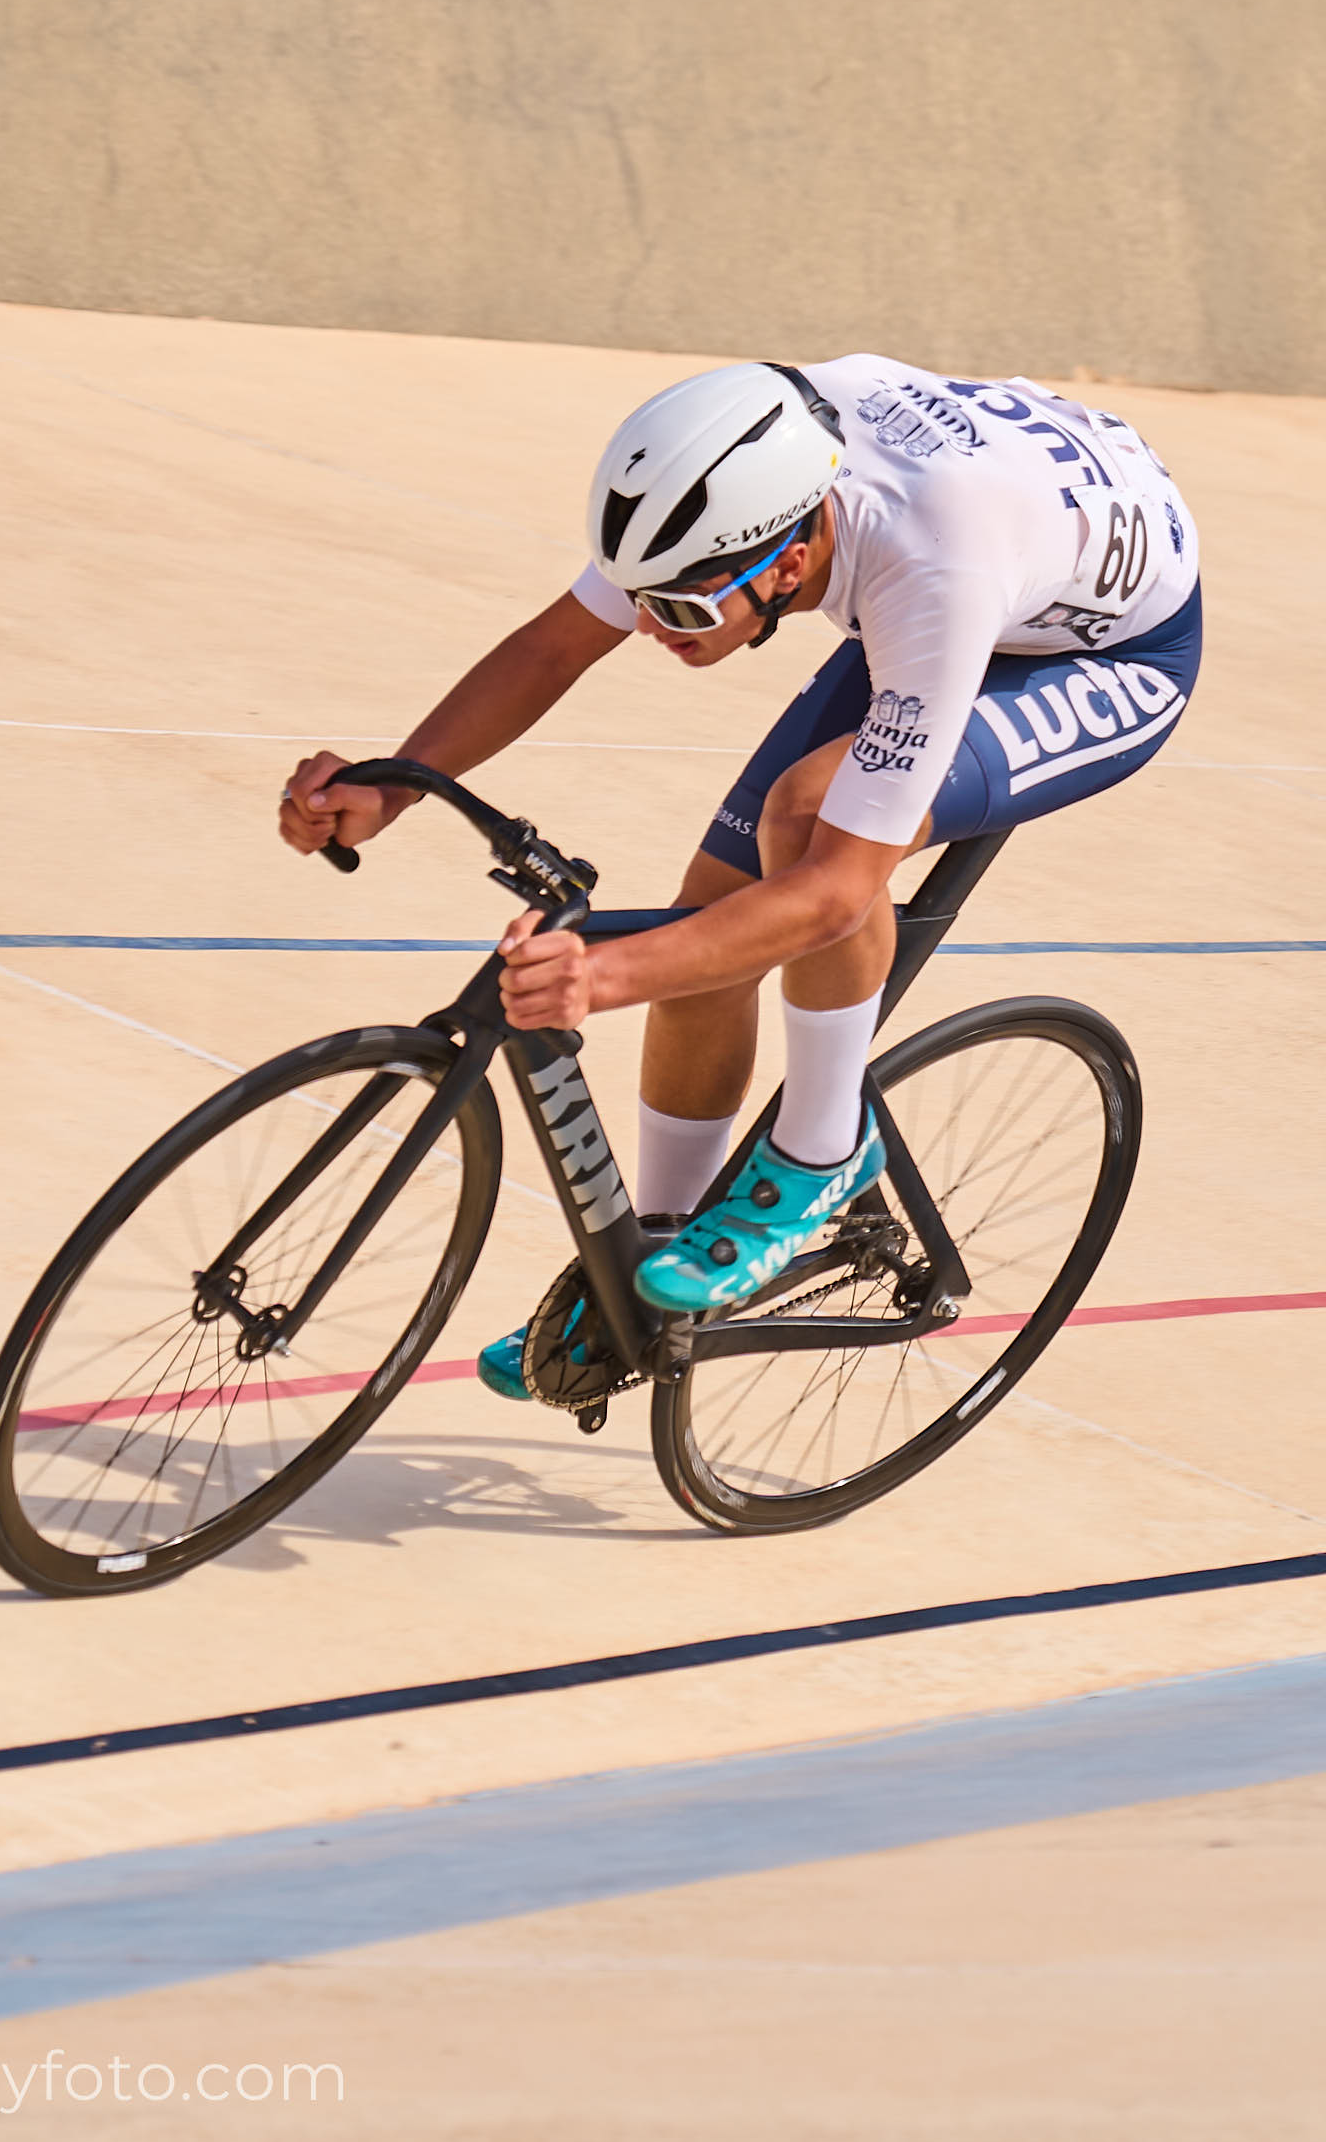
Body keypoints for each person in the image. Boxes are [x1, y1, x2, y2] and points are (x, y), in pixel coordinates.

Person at [279, 355, 1201, 1397]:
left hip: (1105, 654)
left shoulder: (930, 570)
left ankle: (820, 1154)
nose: (653, 628)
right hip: (997, 552)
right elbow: (551, 649)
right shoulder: (720, 487)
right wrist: (393, 787)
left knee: (809, 826)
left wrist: (606, 978)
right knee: (712, 922)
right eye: (644, 600)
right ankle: (653, 1264)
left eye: (680, 610)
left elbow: (835, 893)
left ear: (793, 555)